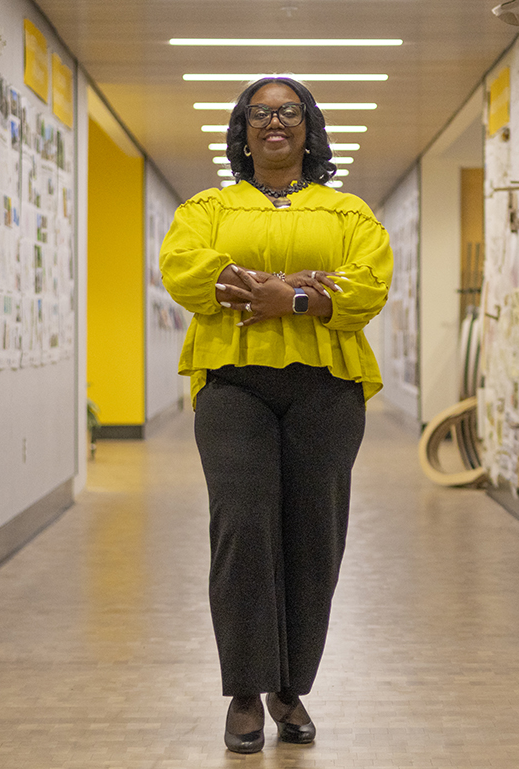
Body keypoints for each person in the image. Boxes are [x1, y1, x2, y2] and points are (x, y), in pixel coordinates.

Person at [159, 75, 393, 754]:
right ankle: (244, 687)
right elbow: (185, 266)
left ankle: (290, 685)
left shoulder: (347, 212)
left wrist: (280, 299)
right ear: (244, 130)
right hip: (234, 387)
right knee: (243, 526)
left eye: (288, 112)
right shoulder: (207, 206)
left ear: (309, 127)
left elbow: (368, 281)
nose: (275, 123)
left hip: (327, 391)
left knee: (313, 534)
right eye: (260, 114)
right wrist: (303, 286)